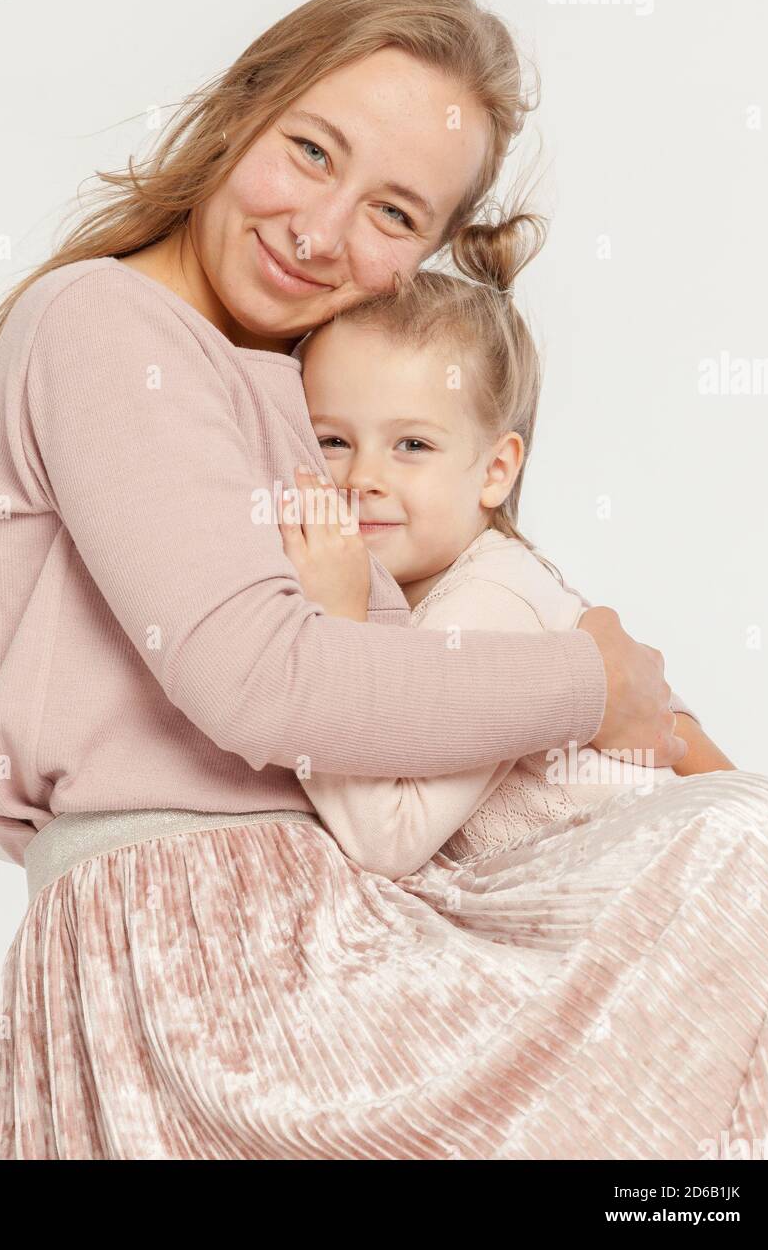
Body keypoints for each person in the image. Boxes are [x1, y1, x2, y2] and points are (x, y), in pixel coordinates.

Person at [0, 0, 768, 1158]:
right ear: (240, 110)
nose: (320, 230)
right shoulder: (107, 326)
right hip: (208, 970)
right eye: (309, 151)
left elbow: (393, 662)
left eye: (394, 215)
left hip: (321, 925)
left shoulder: (295, 384)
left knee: (742, 860)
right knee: (748, 852)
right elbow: (262, 678)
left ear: (433, 255)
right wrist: (591, 679)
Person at [286, 246, 711, 881]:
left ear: (495, 470)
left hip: (670, 893)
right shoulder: (421, 595)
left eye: (412, 444)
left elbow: (387, 840)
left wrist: (333, 628)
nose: (365, 476)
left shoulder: (489, 599)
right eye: (333, 440)